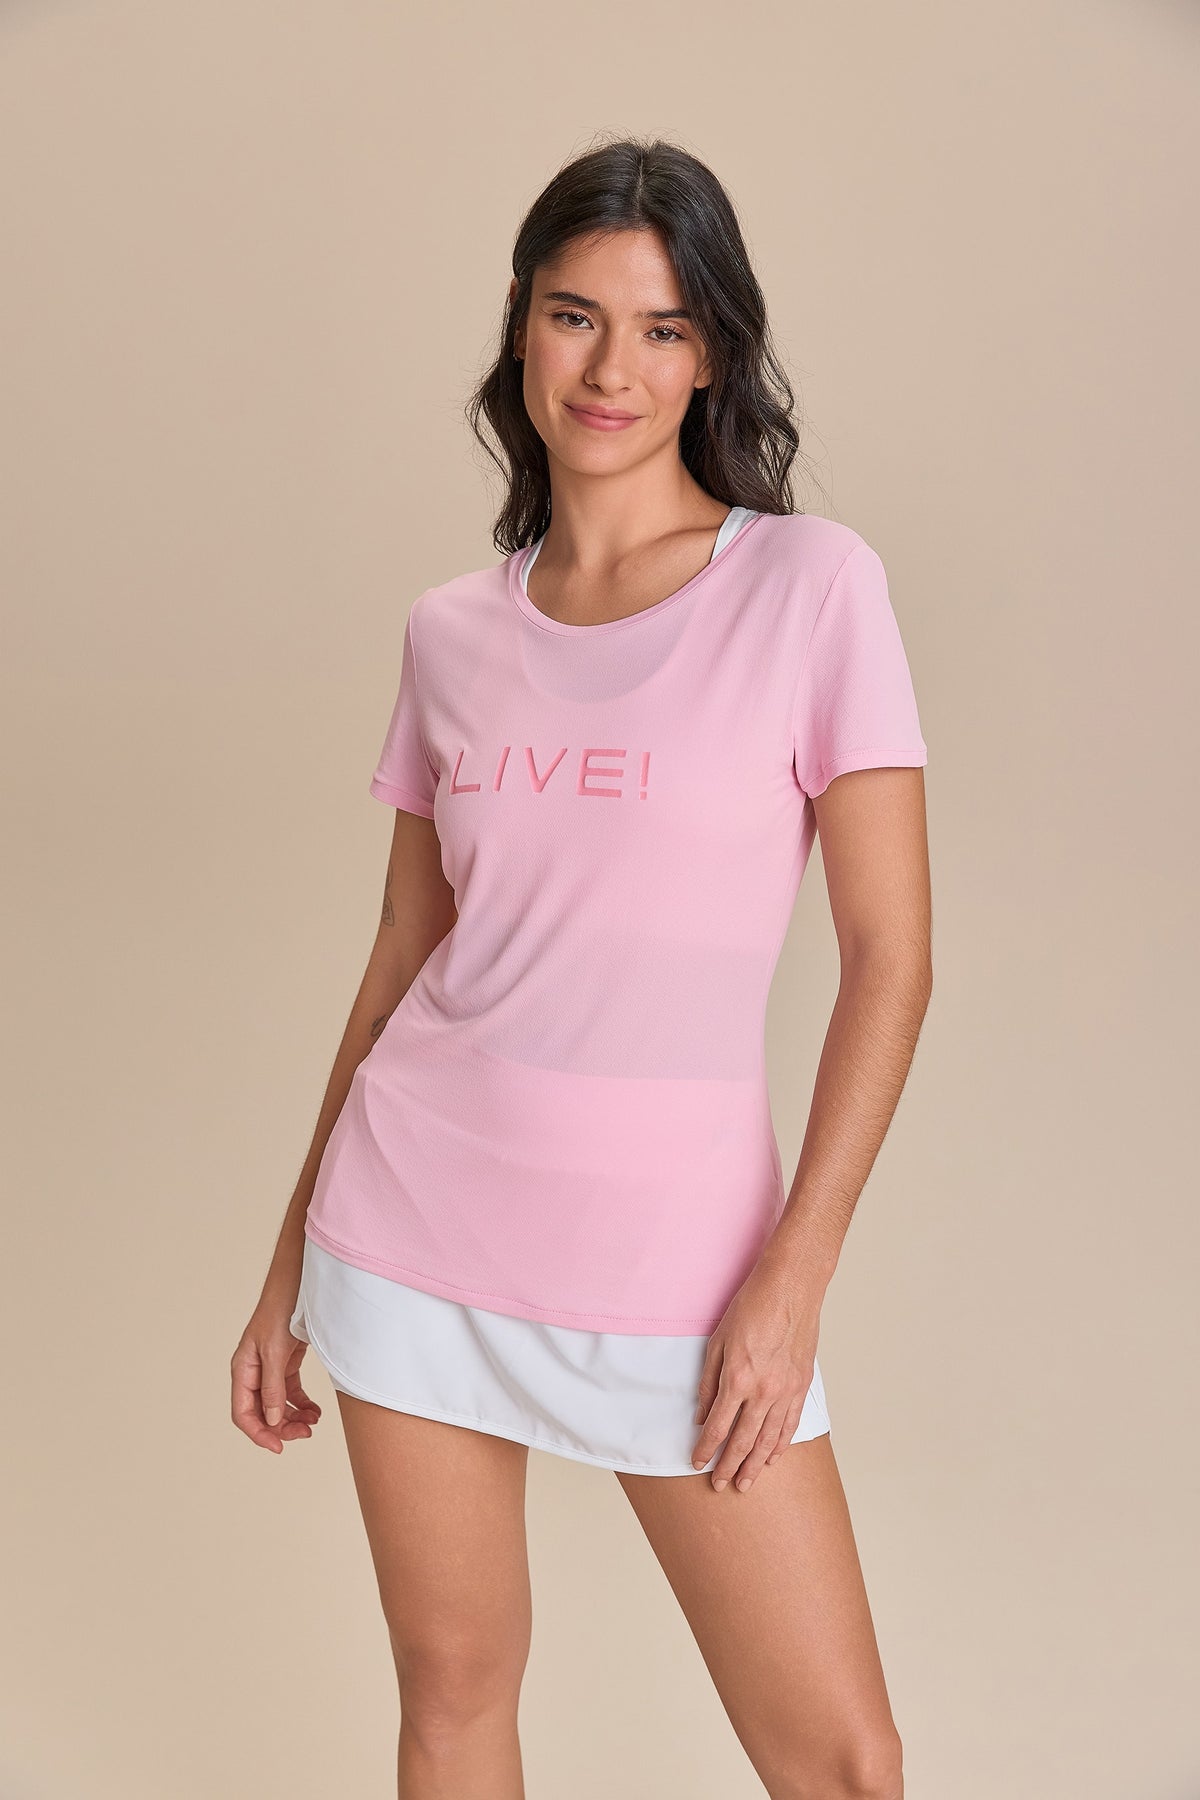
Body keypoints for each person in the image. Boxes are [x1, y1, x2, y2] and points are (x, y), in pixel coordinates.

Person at [231, 135, 932, 1800]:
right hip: (412, 1231)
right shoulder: (451, 632)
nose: (613, 368)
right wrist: (285, 1268)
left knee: (842, 1762)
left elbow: (890, 960)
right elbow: (403, 959)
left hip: (685, 1269)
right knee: (454, 1700)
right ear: (521, 330)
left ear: (713, 355)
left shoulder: (810, 589)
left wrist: (794, 1276)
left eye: (663, 327)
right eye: (575, 316)